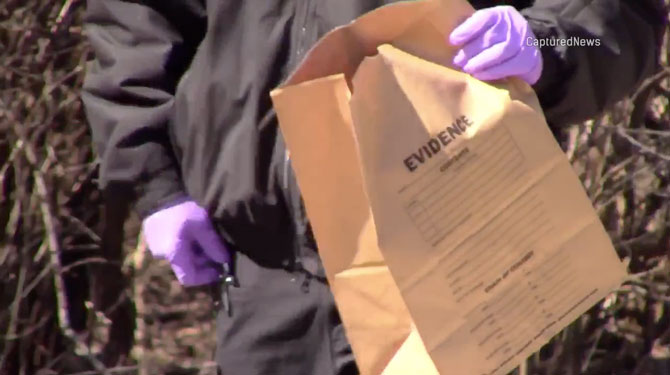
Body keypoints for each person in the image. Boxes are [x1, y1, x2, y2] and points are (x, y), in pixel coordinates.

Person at [81, 0, 666, 374]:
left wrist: (552, 44)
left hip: (454, 274)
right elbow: (136, 21)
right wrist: (156, 183)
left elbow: (619, 17)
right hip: (261, 279)